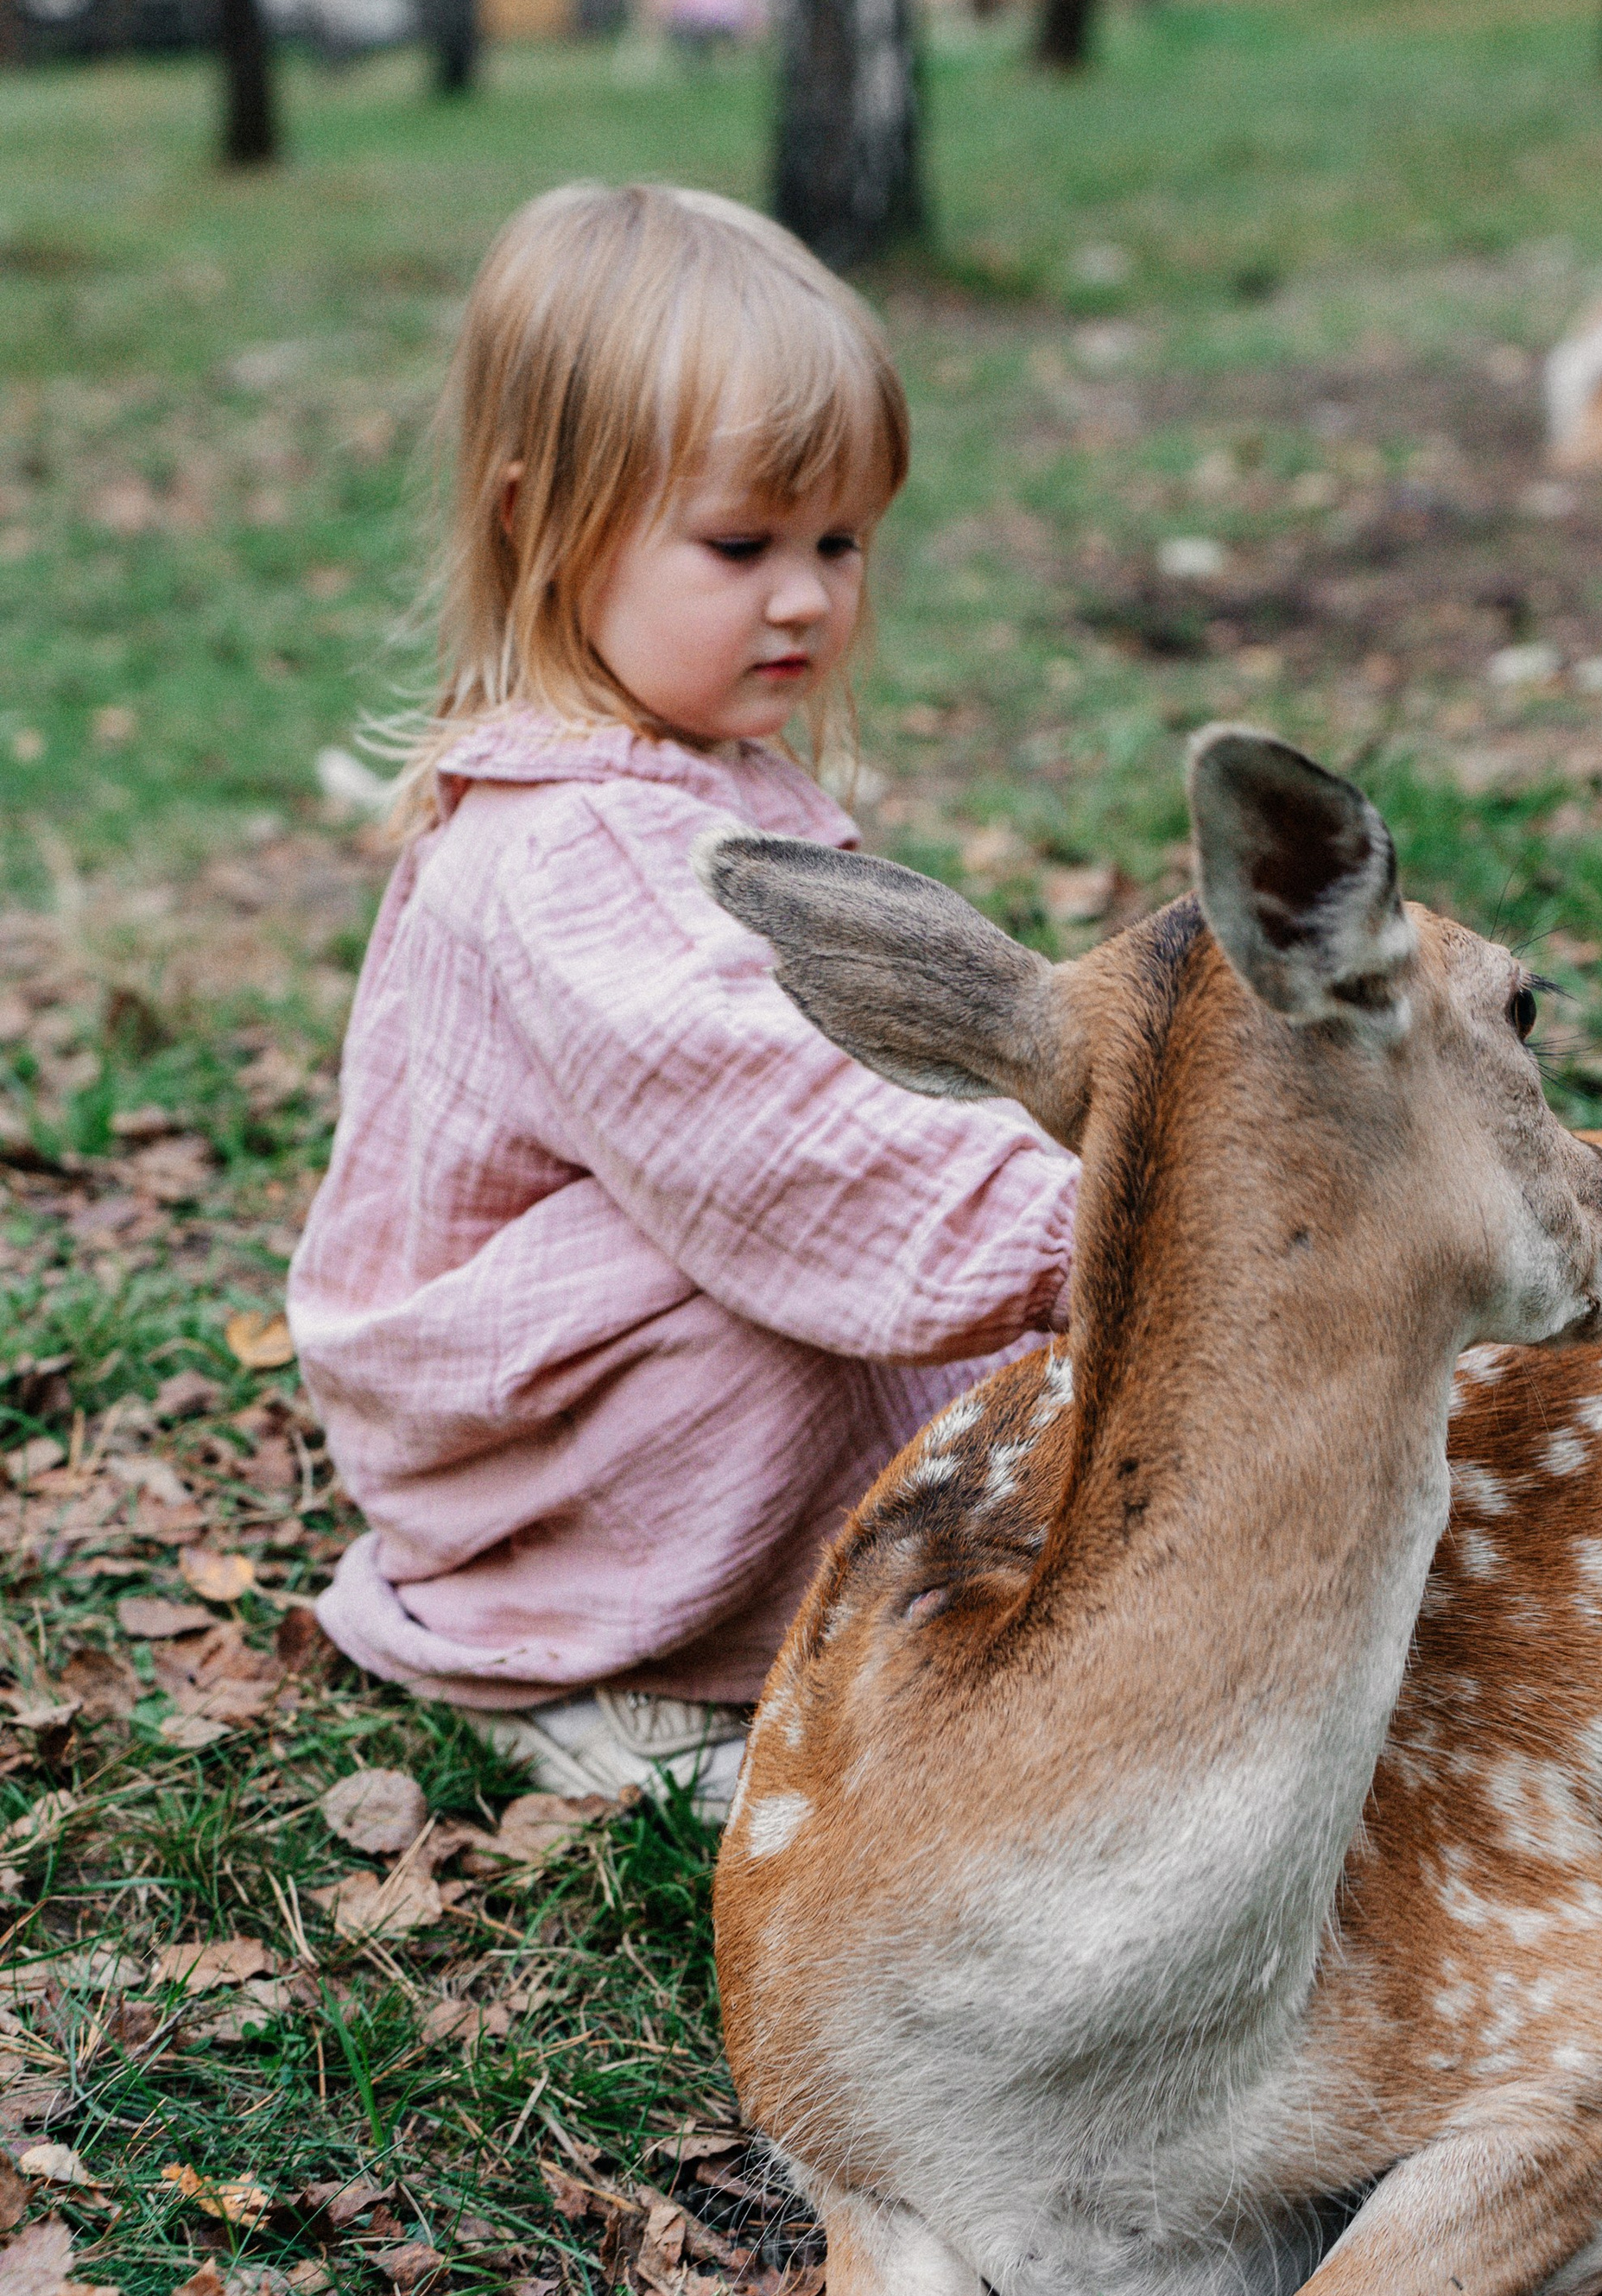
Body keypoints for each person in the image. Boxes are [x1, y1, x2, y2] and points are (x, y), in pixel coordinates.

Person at [288, 182, 1077, 1817]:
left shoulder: (688, 772)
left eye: (839, 543)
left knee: (846, 1285)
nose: (804, 597)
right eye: (742, 545)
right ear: (538, 523)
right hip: (531, 1444)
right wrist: (1099, 1224)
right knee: (798, 1299)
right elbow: (788, 1145)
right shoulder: (583, 852)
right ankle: (610, 1662)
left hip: (559, 1389)